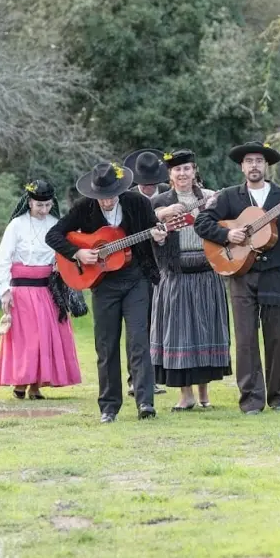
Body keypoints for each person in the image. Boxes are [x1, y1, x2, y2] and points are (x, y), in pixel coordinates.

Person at [194, 141, 280, 414]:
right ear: (242, 167)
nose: (254, 165)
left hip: (273, 274)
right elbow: (202, 222)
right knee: (246, 338)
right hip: (240, 274)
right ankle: (251, 400)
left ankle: (279, 397)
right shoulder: (229, 197)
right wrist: (227, 235)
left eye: (259, 160)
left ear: (266, 165)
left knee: (278, 336)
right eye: (249, 161)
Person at [45, 161, 167, 423]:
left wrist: (159, 236)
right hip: (103, 284)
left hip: (136, 279)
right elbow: (53, 235)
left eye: (110, 196)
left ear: (119, 191)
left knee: (138, 341)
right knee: (106, 345)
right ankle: (109, 406)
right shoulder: (84, 208)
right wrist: (77, 253)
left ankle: (145, 402)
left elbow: (156, 228)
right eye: (101, 197)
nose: (106, 202)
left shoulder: (138, 203)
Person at [149, 149, 231, 410]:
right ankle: (186, 396)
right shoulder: (158, 202)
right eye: (177, 169)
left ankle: (205, 394)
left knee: (204, 333)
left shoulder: (211, 198)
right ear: (169, 174)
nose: (182, 173)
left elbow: (224, 230)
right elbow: (150, 238)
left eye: (187, 168)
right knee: (180, 335)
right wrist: (158, 234)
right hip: (176, 274)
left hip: (207, 272)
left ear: (195, 170)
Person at [0, 179, 82, 400]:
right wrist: (5, 290)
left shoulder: (56, 223)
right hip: (21, 290)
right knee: (26, 339)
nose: (44, 210)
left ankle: (36, 385)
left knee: (44, 337)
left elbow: (65, 254)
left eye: (48, 205)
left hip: (47, 290)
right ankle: (21, 382)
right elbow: (3, 259)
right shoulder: (16, 225)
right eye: (39, 205)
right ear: (30, 202)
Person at [123, 148, 171, 398]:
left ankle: (152, 376)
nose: (150, 187)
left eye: (153, 182)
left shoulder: (167, 195)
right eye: (145, 183)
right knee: (138, 326)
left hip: (163, 266)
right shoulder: (126, 198)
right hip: (136, 268)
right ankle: (135, 378)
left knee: (157, 325)